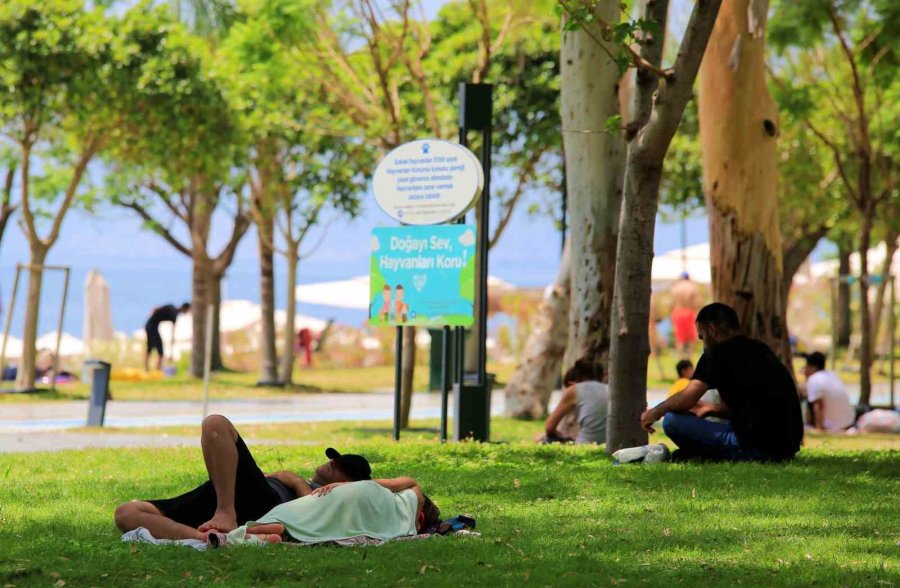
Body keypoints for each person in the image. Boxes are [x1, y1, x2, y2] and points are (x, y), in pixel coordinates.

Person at [114, 414, 373, 540]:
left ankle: (226, 512)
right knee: (126, 513)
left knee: (215, 424)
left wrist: (295, 481)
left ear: (349, 481)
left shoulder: (339, 494)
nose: (331, 462)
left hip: (264, 501)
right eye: (333, 458)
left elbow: (314, 511)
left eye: (340, 465)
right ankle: (206, 538)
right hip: (234, 490)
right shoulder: (306, 481)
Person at [640, 303, 803, 462]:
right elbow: (759, 407)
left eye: (702, 337)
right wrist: (714, 409)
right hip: (785, 449)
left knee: (672, 421)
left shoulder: (715, 354)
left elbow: (687, 398)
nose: (703, 345)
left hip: (753, 445)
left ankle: (711, 455)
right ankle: (708, 454)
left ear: (711, 330)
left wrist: (655, 412)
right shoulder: (761, 350)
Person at [219, 477, 441, 546]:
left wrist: (347, 484)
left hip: (364, 491)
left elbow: (397, 482)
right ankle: (271, 532)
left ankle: (273, 525)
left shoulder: (414, 492)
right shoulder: (409, 525)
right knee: (332, 525)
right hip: (369, 509)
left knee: (309, 511)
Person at [539, 359, 608, 445]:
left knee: (540, 437)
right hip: (613, 444)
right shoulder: (609, 388)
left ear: (572, 384)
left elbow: (549, 427)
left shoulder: (574, 389)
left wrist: (560, 435)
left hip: (586, 444)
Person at [801, 351, 854, 432]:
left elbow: (819, 406)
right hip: (848, 423)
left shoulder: (814, 379)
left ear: (813, 367)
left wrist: (819, 429)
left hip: (831, 426)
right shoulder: (832, 374)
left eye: (806, 367)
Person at [144, 302, 190, 371]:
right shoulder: (174, 314)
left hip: (150, 325)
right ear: (185, 309)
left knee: (150, 347)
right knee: (159, 349)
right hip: (151, 326)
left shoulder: (171, 307)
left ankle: (149, 368)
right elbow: (155, 309)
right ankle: (157, 369)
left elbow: (155, 309)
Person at [669, 273, 702, 357]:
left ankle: (681, 357)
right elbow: (697, 302)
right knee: (691, 337)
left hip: (677, 312)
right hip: (689, 312)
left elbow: (670, 303)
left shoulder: (675, 287)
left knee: (679, 337)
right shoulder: (693, 287)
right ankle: (689, 356)